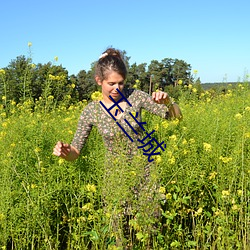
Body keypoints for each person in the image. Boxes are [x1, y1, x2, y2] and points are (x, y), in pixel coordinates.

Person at [53, 47, 182, 247]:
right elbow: (76, 151)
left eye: (121, 83)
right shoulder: (91, 111)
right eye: (111, 83)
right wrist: (65, 152)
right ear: (99, 81)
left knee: (150, 235)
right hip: (115, 180)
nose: (117, 88)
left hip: (146, 176)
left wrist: (169, 102)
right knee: (120, 237)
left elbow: (175, 118)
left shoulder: (136, 97)